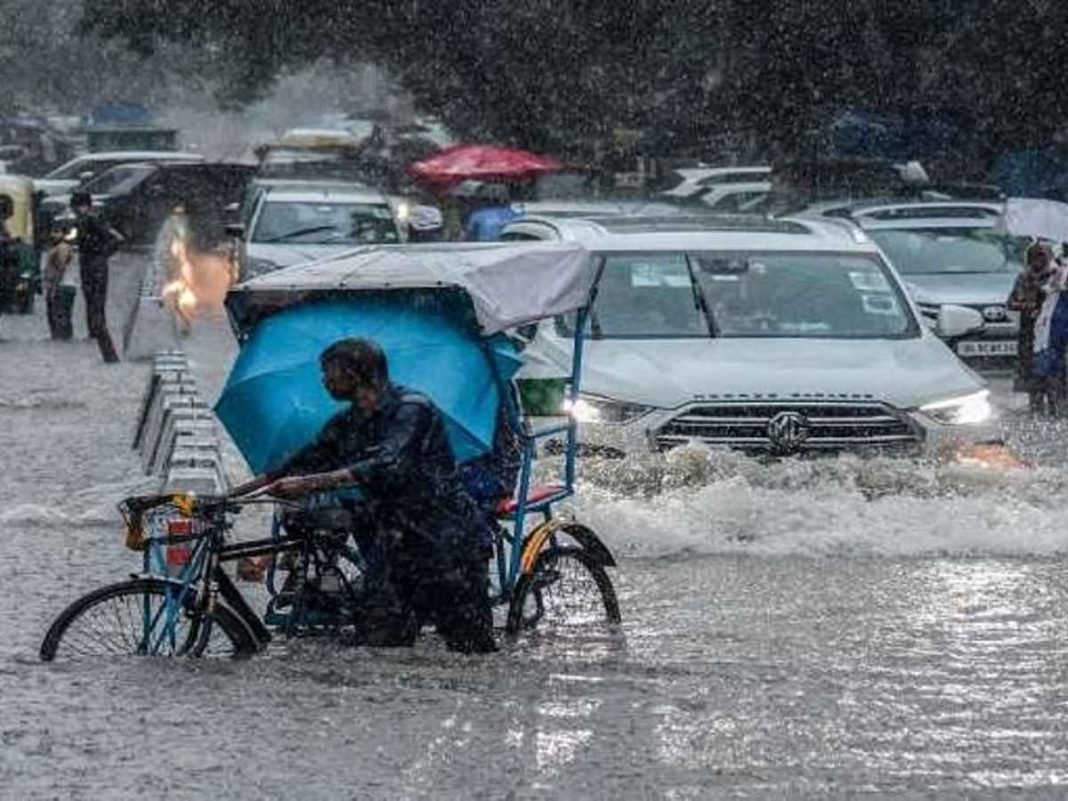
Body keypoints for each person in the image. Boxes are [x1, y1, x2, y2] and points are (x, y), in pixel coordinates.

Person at [233, 337, 498, 654]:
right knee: (380, 644)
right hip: (396, 546)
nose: (324, 381)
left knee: (471, 651)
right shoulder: (349, 421)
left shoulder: (413, 409)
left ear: (354, 373)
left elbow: (388, 464)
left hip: (447, 543)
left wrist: (310, 484)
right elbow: (303, 460)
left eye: (328, 372)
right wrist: (233, 496)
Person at [69, 190, 122, 362]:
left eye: (76, 207)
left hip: (95, 266)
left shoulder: (93, 221)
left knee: (96, 300)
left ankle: (99, 333)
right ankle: (95, 332)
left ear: (84, 206)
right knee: (90, 299)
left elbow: (116, 240)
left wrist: (101, 256)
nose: (74, 211)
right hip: (88, 265)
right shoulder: (82, 221)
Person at [1008, 241, 1053, 412]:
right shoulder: (1024, 277)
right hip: (1030, 330)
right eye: (1034, 257)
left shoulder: (1056, 276)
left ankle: (1054, 403)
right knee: (1031, 367)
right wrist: (1032, 305)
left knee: (1051, 366)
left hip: (1051, 329)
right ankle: (1036, 405)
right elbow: (1012, 303)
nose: (1038, 261)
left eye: (1042, 256)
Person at [1031, 241, 1068, 415]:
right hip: (1055, 319)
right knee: (1052, 359)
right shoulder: (1055, 267)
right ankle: (1056, 401)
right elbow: (1045, 286)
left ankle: (1058, 400)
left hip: (1057, 317)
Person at [42, 225, 77, 340]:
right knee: (63, 317)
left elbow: (61, 267)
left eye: (56, 232)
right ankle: (64, 341)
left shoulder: (62, 248)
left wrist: (54, 287)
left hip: (61, 286)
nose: (53, 235)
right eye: (52, 231)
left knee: (58, 318)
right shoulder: (60, 247)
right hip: (65, 286)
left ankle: (60, 340)